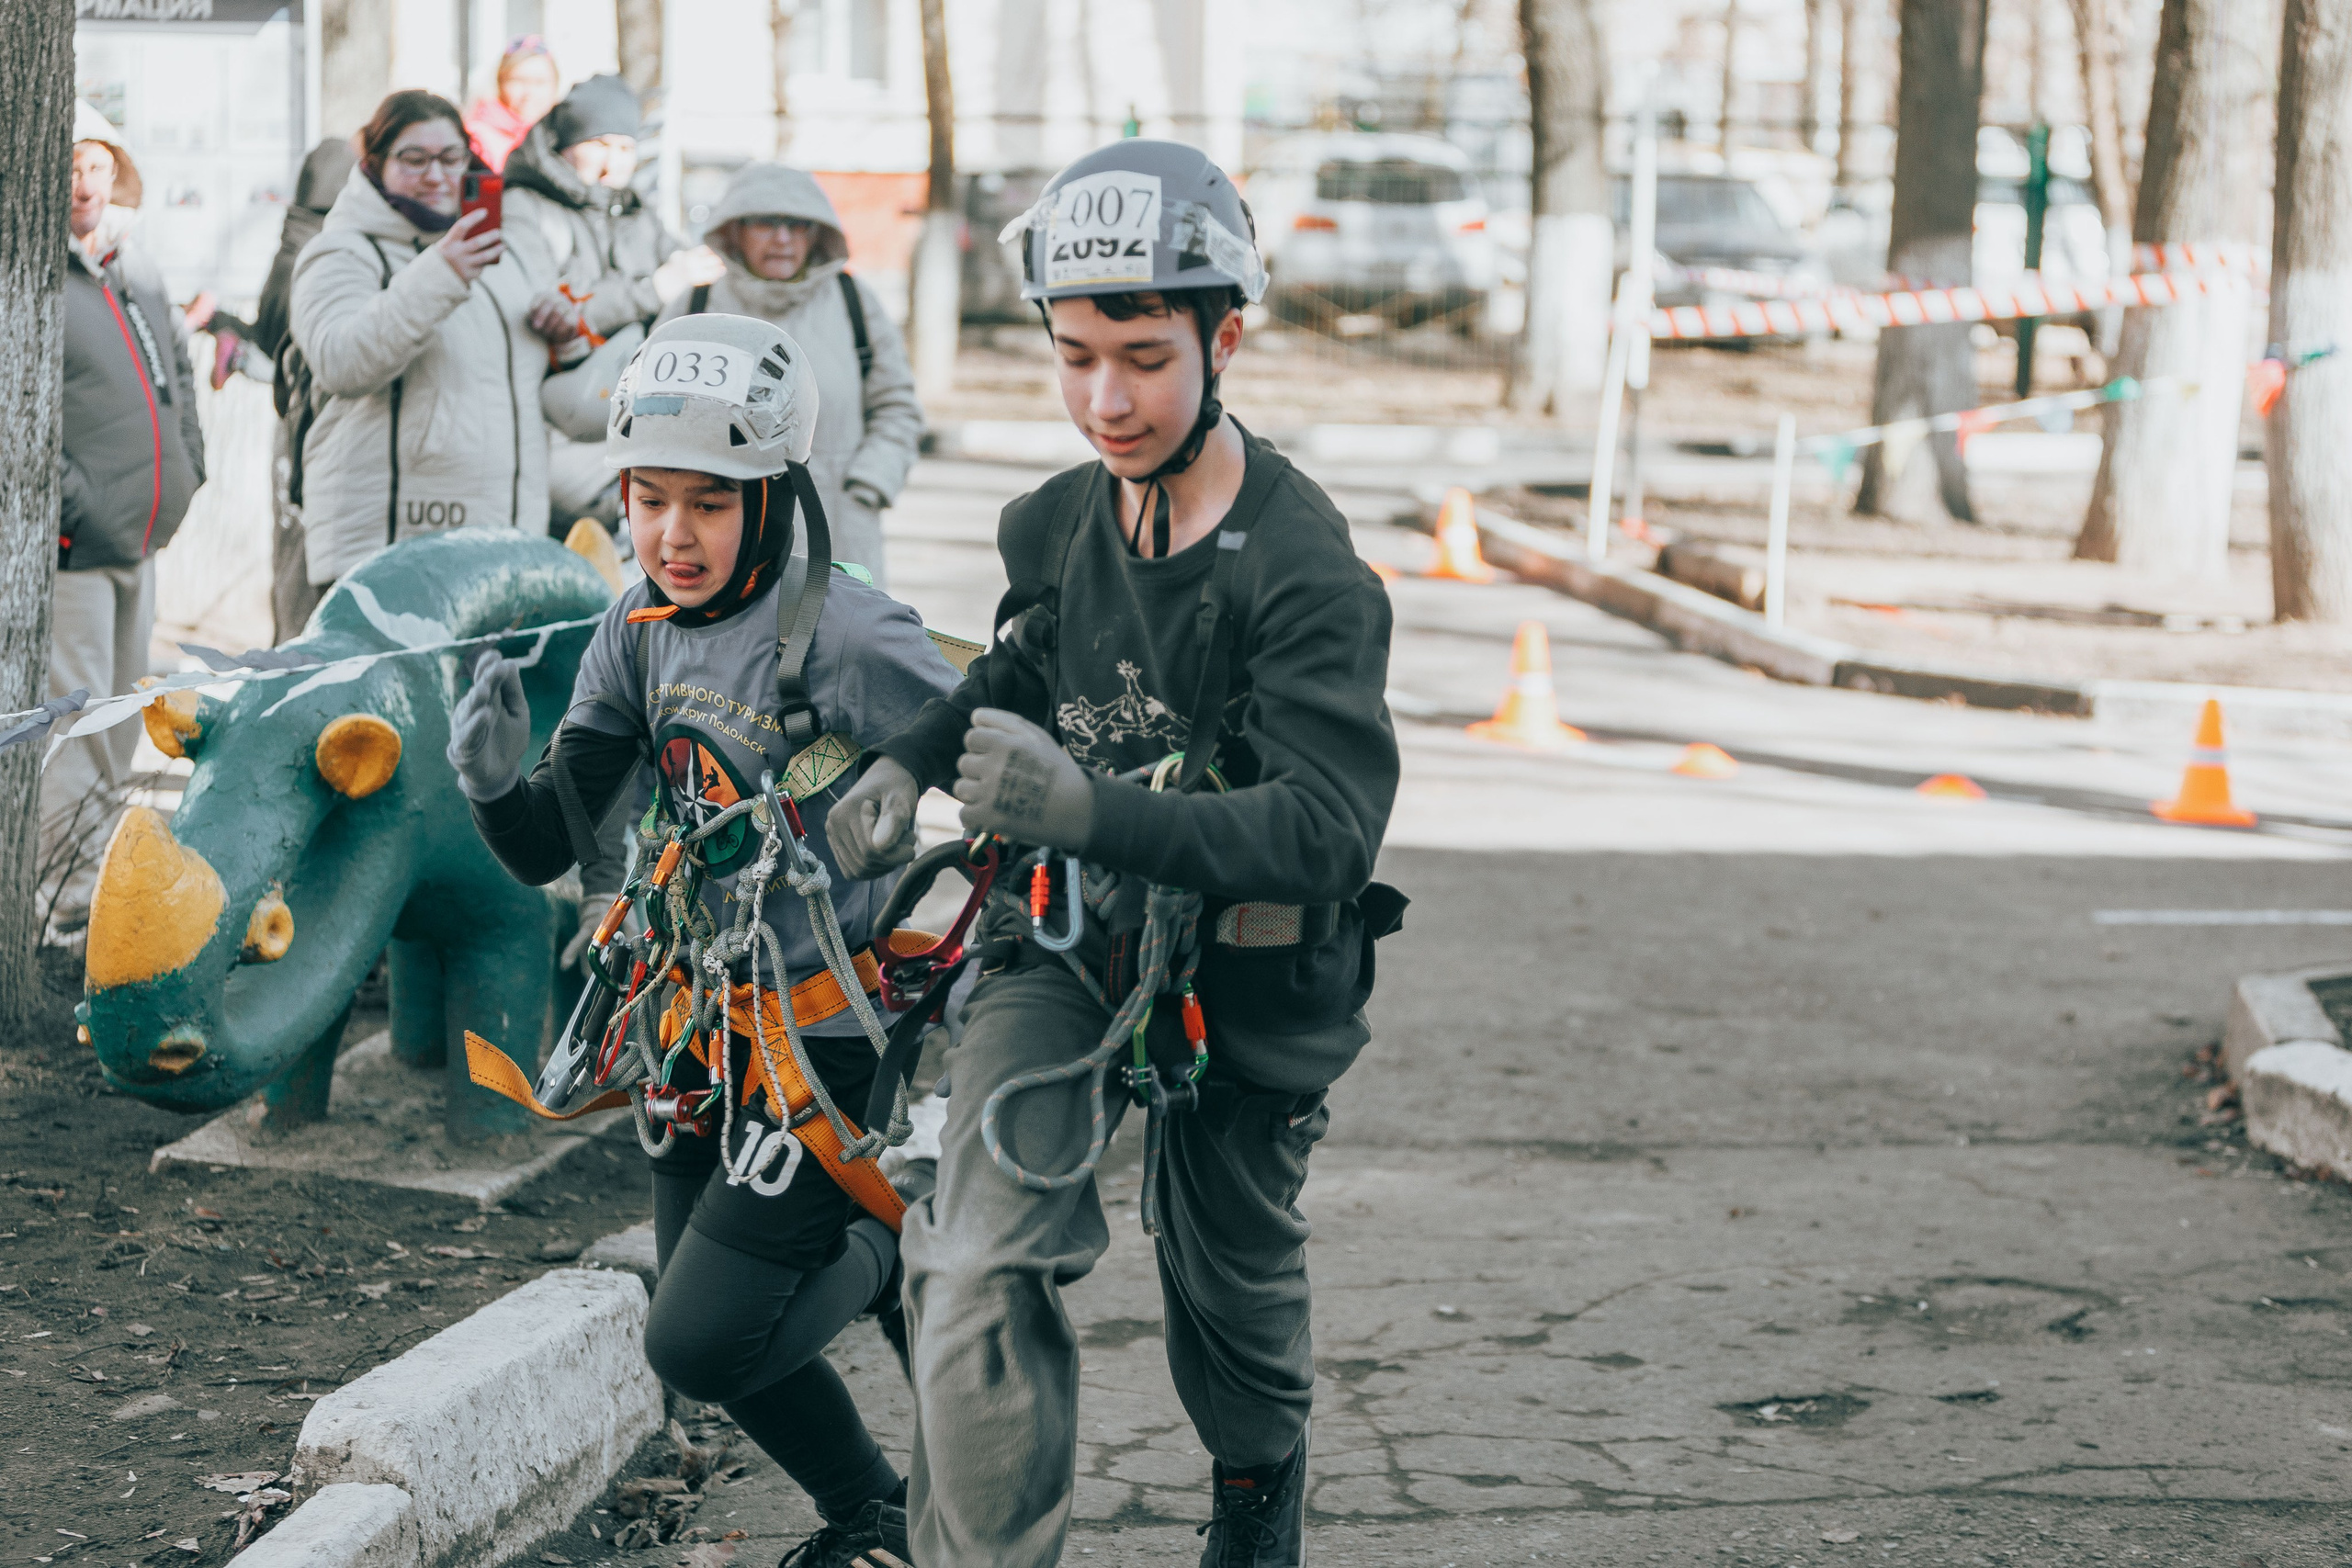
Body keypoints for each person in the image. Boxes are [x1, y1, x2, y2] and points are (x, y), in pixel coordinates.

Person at [828, 141, 1405, 1568]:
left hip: (1251, 978)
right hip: (1066, 945)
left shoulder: (1307, 570)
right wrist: (905, 759)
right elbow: (1020, 668)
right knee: (964, 1258)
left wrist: (1091, 808)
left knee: (1230, 1274)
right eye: (1075, 356)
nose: (1106, 400)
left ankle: (1259, 1491)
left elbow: (1329, 829)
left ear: (1227, 337)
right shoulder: (1058, 519)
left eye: (1144, 357)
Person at [446, 311, 959, 1568]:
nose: (671, 535)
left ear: (775, 494)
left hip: (823, 1037)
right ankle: (872, 1514)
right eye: (647, 499)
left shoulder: (848, 632)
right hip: (689, 1032)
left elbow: (985, 734)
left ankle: (885, 1245)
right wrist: (493, 783)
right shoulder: (634, 626)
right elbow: (549, 840)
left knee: (698, 1340)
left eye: (708, 504)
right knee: (710, 1338)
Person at [289, 90, 568, 591]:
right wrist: (442, 273)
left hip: (501, 546)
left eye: (450, 158)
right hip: (387, 549)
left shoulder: (506, 252)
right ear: (375, 166)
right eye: (413, 160)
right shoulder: (343, 251)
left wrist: (565, 337)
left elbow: (536, 385)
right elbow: (340, 363)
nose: (436, 176)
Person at [50, 100, 205, 933]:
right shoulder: (36, 269)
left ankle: (100, 877)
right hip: (76, 546)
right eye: (71, 163)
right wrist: (68, 502)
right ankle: (66, 895)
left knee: (117, 716)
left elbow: (174, 365)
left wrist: (190, 466)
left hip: (141, 536)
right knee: (73, 720)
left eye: (99, 164)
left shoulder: (132, 265)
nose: (85, 181)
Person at [661, 164, 921, 586]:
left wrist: (868, 486)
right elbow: (653, 412)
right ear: (736, 230)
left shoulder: (854, 301)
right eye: (766, 222)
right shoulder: (695, 306)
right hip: (720, 538)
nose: (782, 238)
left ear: (815, 234)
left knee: (840, 648)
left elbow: (897, 405)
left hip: (840, 534)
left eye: (797, 225)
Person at [503, 73, 721, 535]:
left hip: (627, 424)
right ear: (565, 144)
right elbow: (543, 312)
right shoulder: (525, 207)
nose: (613, 164)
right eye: (599, 144)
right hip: (550, 430)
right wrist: (654, 288)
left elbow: (688, 273)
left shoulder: (634, 211)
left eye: (625, 148)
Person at [251, 135, 358, 643]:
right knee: (302, 611)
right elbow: (273, 331)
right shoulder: (317, 244)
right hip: (310, 445)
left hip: (334, 452)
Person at [462, 34, 560, 173]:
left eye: (540, 82)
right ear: (500, 83)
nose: (529, 93)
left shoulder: (563, 134)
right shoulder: (477, 138)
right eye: (518, 81)